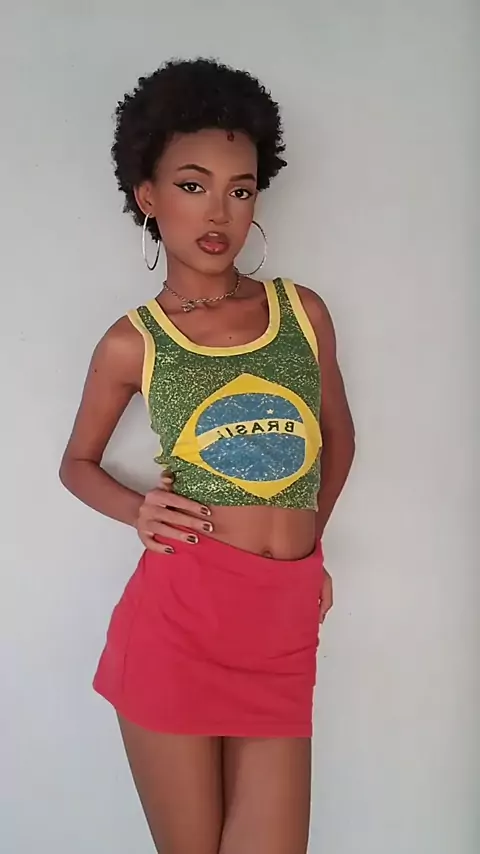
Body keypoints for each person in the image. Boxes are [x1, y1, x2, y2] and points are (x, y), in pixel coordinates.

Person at [60, 57, 355, 854]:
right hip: (180, 622)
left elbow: (337, 435)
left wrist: (309, 547)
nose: (220, 211)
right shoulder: (134, 341)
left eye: (241, 188)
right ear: (148, 197)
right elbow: (76, 463)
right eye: (192, 185)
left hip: (281, 624)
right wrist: (139, 509)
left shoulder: (301, 312)